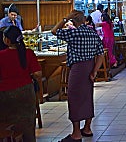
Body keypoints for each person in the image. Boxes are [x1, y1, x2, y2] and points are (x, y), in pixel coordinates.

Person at [51, 10, 104, 142]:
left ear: (73, 21)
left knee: (74, 97)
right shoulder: (92, 33)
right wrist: (94, 71)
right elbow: (101, 54)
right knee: (87, 97)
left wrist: (64, 19)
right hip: (90, 66)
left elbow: (54, 31)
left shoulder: (73, 33)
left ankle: (76, 133)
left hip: (77, 68)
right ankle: (87, 128)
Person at [0, 26, 42, 142]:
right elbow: (37, 74)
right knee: (27, 125)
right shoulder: (28, 53)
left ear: (7, 40)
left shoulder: (1, 55)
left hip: (4, 94)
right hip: (26, 93)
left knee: (5, 126)